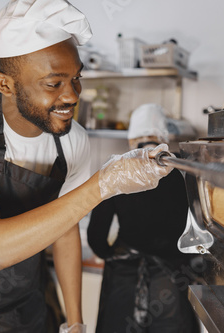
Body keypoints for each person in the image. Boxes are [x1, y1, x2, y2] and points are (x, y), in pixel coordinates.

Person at [0, 1, 172, 332]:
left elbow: (65, 229)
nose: (72, 96)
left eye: (76, 78)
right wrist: (103, 184)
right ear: (5, 84)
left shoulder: (72, 139)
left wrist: (76, 322)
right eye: (54, 83)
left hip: (27, 305)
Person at [87, 103, 200, 333]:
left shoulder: (116, 169)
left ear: (131, 140)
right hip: (172, 279)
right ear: (165, 137)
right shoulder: (185, 169)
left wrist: (113, 255)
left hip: (124, 278)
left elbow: (96, 236)